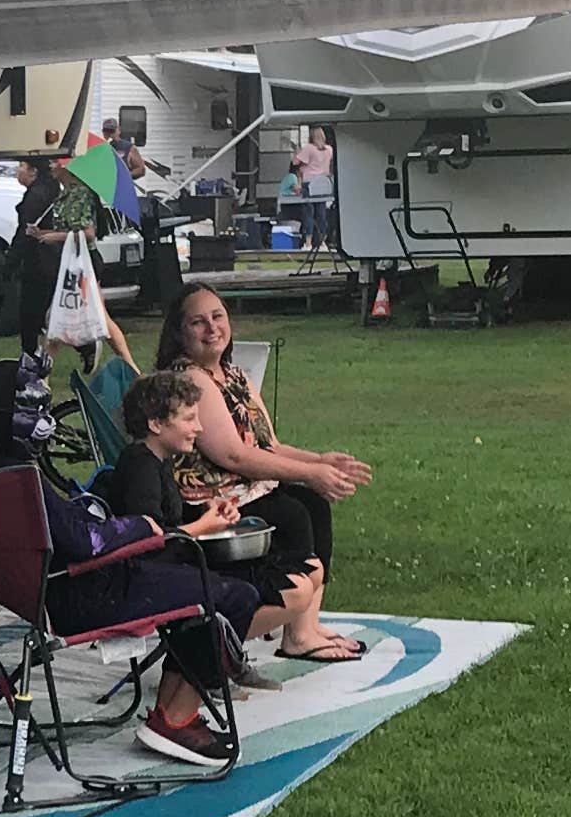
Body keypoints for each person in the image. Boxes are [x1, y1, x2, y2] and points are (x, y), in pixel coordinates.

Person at [153, 282, 368, 660]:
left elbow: (268, 445)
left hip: (243, 488)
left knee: (312, 503)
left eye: (218, 317)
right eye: (198, 322)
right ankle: (297, 634)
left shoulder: (233, 375)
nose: (212, 328)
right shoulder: (191, 378)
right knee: (292, 513)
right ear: (179, 333)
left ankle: (306, 625)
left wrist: (319, 462)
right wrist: (307, 473)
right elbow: (232, 456)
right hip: (209, 501)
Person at [103, 367, 343, 672]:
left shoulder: (157, 459)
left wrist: (209, 508)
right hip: (156, 577)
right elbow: (148, 538)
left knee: (310, 570)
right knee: (296, 589)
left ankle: (215, 658)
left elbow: (166, 516)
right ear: (156, 424)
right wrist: (204, 526)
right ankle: (208, 657)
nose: (199, 428)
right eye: (189, 419)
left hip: (177, 564)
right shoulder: (140, 467)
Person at [35, 452, 262, 773]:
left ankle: (168, 716)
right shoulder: (24, 476)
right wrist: (140, 526)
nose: (198, 429)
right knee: (236, 597)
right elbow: (84, 541)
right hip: (89, 596)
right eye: (190, 422)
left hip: (72, 588)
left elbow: (73, 529)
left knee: (204, 588)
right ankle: (177, 720)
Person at [11, 136, 108, 344]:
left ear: (68, 166)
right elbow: (66, 229)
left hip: (85, 262)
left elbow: (88, 233)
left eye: (56, 162)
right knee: (60, 317)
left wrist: (53, 236)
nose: (52, 166)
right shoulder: (63, 194)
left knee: (97, 318)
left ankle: (108, 354)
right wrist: (41, 233)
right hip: (69, 261)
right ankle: (49, 359)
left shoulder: (80, 194)